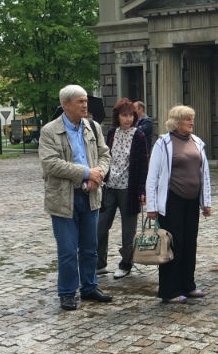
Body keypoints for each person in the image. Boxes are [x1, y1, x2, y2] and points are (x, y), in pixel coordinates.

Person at [39, 84, 112, 311]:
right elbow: (50, 164)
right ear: (66, 105)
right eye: (80, 101)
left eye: (85, 101)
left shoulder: (93, 127)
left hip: (90, 195)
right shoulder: (49, 131)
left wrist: (97, 175)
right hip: (63, 198)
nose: (85, 105)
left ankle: (89, 286)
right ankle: (67, 292)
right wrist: (86, 173)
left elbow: (105, 155)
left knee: (90, 247)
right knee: (68, 250)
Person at [146, 105, 212, 303]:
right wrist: (152, 206)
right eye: (187, 119)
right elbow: (153, 176)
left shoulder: (197, 142)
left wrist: (206, 202)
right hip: (171, 201)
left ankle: (188, 285)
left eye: (192, 118)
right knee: (173, 245)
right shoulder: (163, 143)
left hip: (192, 202)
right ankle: (169, 290)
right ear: (176, 122)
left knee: (190, 243)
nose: (192, 122)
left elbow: (204, 174)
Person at [95, 98, 149, 279]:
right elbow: (105, 156)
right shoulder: (112, 133)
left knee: (128, 230)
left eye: (131, 115)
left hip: (129, 189)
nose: (128, 119)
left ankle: (126, 264)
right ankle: (99, 263)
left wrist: (142, 190)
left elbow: (143, 164)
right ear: (117, 116)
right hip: (109, 187)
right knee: (101, 226)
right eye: (124, 115)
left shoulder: (139, 135)